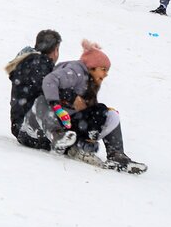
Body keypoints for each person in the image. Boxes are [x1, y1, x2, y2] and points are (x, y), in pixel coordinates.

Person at [17, 40, 146, 174]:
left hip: (65, 132)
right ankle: (57, 136)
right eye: (103, 69)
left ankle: (116, 155)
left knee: (108, 114)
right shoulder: (72, 71)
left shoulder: (88, 82)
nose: (106, 74)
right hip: (35, 134)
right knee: (43, 100)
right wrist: (67, 99)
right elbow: (47, 84)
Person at [5, 29, 61, 137]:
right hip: (31, 128)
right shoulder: (40, 66)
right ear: (55, 50)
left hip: (20, 125)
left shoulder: (29, 63)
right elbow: (49, 94)